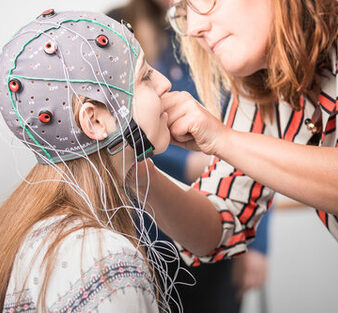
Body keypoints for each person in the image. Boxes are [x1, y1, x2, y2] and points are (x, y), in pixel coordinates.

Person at [132, 0, 338, 312]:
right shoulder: (261, 86)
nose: (193, 29)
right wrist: (134, 171)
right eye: (183, 13)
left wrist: (223, 139)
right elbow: (217, 225)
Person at [0, 10, 175, 313]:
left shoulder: (31, 233)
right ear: (94, 120)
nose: (163, 83)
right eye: (145, 76)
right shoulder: (105, 263)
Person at [107, 2, 271, 312]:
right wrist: (184, 162)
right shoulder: (117, 26)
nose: (164, 86)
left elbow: (260, 150)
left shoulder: (223, 37)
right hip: (144, 233)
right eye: (144, 78)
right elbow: (115, 132)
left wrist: (257, 245)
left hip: (218, 220)